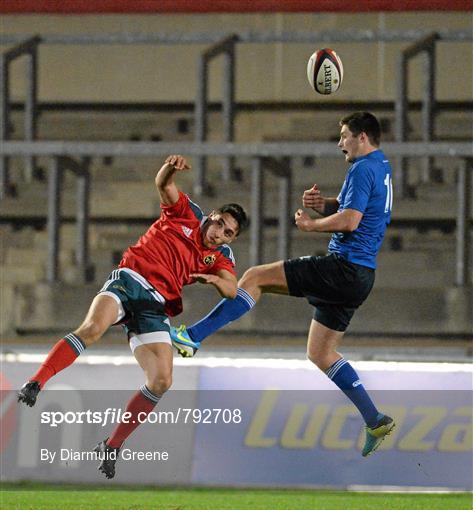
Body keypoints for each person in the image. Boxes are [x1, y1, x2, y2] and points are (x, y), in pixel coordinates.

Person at [171, 112, 395, 457]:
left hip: (344, 267)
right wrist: (325, 206)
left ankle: (192, 336)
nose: (340, 143)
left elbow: (352, 220)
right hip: (361, 276)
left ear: (362, 137)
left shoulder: (363, 168)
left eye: (345, 136)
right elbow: (359, 209)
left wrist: (310, 225)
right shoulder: (380, 167)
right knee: (320, 352)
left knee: (255, 277)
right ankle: (374, 418)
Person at [18, 155, 249, 478]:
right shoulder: (186, 213)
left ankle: (111, 445)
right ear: (211, 217)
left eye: (228, 233)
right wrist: (170, 167)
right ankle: (35, 383)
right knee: (93, 328)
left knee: (162, 380)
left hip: (155, 307)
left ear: (231, 239)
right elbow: (163, 184)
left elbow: (232, 289)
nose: (220, 233)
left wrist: (215, 279)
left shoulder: (220, 256)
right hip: (129, 281)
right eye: (220, 224)